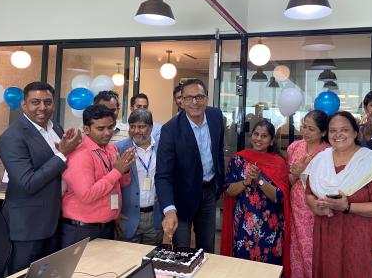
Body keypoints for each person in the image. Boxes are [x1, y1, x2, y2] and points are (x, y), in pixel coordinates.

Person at [0, 82, 82, 273]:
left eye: (47, 102)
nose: (42, 107)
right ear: (24, 105)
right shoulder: (12, 137)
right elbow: (27, 183)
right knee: (22, 274)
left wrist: (72, 148)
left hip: (54, 220)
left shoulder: (56, 129)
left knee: (51, 274)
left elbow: (61, 168)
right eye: (35, 102)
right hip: (27, 224)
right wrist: (62, 155)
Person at [305, 111, 372, 278]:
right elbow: (309, 193)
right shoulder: (320, 159)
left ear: (355, 133)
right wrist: (315, 207)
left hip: (363, 239)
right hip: (329, 234)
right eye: (332, 130)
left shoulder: (370, 161)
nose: (338, 135)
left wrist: (347, 207)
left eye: (344, 129)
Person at [155, 78, 224, 253]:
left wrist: (219, 184)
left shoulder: (216, 117)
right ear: (181, 101)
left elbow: (219, 153)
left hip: (208, 193)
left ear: (207, 98)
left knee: (207, 248)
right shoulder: (170, 130)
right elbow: (163, 175)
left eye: (199, 97)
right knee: (182, 251)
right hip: (181, 198)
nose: (194, 102)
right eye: (188, 98)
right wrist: (169, 210)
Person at [220, 119, 291, 277]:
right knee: (243, 269)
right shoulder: (238, 160)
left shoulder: (278, 163)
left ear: (271, 140)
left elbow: (279, 197)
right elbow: (228, 191)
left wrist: (259, 180)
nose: (258, 139)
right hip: (244, 228)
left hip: (270, 228)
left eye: (264, 136)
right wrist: (246, 181)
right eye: (256, 134)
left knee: (268, 270)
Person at [60, 104, 134, 248]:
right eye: (101, 129)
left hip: (106, 225)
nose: (107, 133)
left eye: (111, 127)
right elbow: (87, 195)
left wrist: (124, 171)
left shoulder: (111, 148)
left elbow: (120, 184)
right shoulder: (80, 154)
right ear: (86, 129)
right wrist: (117, 171)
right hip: (82, 230)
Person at [287, 110, 329, 278]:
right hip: (297, 205)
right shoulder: (294, 147)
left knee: (313, 249)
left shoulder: (328, 152)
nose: (305, 132)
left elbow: (330, 184)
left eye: (311, 129)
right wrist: (296, 174)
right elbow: (290, 181)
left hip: (318, 207)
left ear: (323, 132)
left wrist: (305, 172)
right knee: (296, 246)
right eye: (304, 127)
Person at [115, 109, 163, 245]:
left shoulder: (162, 148)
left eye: (141, 127)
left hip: (155, 217)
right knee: (127, 262)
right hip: (127, 218)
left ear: (151, 127)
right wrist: (114, 212)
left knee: (151, 261)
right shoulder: (119, 148)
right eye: (132, 126)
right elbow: (113, 184)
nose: (136, 131)